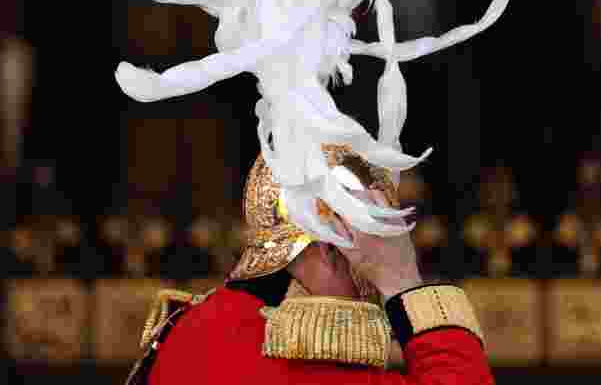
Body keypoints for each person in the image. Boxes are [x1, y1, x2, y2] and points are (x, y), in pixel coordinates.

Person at [128, 145, 492, 384]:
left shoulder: (193, 327)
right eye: (379, 240)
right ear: (333, 245)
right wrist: (403, 278)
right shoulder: (306, 359)